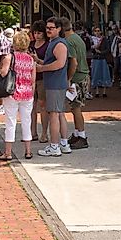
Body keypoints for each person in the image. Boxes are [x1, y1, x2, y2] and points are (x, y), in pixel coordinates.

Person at [36, 17, 72, 157]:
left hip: (55, 84)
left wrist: (42, 68)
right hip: (55, 83)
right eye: (47, 28)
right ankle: (63, 143)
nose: (48, 30)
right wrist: (39, 61)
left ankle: (55, 145)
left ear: (59, 29)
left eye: (51, 28)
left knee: (54, 114)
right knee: (60, 113)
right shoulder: (54, 43)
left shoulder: (59, 44)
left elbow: (60, 63)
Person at [0, 30, 35, 161]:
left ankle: (8, 152)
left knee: (10, 122)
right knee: (27, 121)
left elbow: (3, 73)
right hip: (27, 93)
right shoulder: (31, 59)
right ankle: (28, 151)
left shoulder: (10, 57)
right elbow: (33, 79)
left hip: (12, 92)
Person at [63, 18, 90, 149]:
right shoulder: (77, 38)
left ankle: (82, 136)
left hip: (77, 78)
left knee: (76, 107)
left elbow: (74, 63)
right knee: (74, 107)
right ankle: (77, 133)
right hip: (83, 75)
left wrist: (69, 78)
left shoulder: (68, 42)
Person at [29, 20, 50, 142]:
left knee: (43, 105)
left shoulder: (48, 45)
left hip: (42, 77)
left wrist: (37, 59)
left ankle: (44, 133)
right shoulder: (31, 44)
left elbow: (48, 63)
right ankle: (33, 132)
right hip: (31, 77)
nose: (37, 35)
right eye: (35, 33)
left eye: (39, 33)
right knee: (31, 106)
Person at [90, 26, 112, 97]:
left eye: (98, 30)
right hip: (96, 59)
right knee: (96, 74)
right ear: (93, 32)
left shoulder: (104, 39)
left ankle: (104, 91)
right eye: (96, 31)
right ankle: (97, 91)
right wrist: (94, 48)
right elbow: (90, 49)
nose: (97, 32)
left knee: (104, 74)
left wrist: (101, 52)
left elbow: (108, 49)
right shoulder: (92, 39)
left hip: (102, 59)